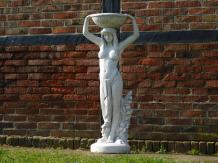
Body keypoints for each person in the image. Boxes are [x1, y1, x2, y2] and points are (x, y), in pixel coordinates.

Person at [83, 14, 139, 143]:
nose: (107, 37)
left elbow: (135, 36)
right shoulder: (101, 45)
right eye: (105, 35)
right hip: (103, 80)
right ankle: (106, 134)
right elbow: (86, 33)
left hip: (115, 79)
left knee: (116, 106)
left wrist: (133, 20)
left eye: (110, 35)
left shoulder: (118, 47)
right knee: (105, 107)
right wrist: (87, 19)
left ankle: (114, 135)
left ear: (113, 36)